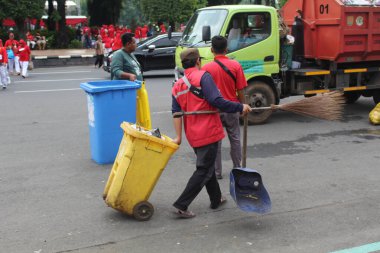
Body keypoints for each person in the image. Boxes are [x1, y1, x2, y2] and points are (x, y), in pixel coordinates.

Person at [171, 48, 252, 218]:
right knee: (204, 169)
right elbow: (217, 101)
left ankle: (216, 198)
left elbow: (176, 113)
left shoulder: (177, 85)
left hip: (192, 134)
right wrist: (240, 106)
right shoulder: (203, 77)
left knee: (207, 167)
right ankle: (181, 205)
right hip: (208, 131)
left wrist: (178, 137)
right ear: (198, 61)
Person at [202, 36, 248, 179]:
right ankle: (237, 167)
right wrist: (242, 106)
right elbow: (241, 90)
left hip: (213, 110)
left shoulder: (206, 68)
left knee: (216, 142)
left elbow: (203, 92)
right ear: (226, 49)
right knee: (235, 138)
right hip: (232, 108)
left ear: (211, 50)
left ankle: (217, 172)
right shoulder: (235, 66)